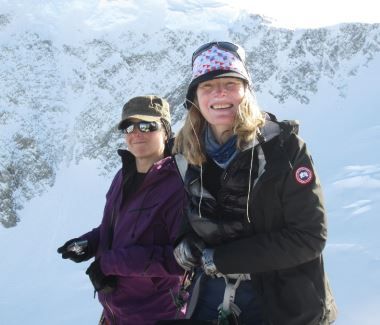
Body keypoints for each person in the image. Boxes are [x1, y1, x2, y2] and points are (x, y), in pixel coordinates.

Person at [172, 42, 338, 324]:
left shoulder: (283, 148)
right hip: (212, 295)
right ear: (195, 99)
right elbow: (191, 215)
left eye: (230, 83)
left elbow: (309, 236)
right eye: (207, 86)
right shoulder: (185, 153)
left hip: (281, 300)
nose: (220, 93)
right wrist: (184, 242)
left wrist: (223, 259)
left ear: (246, 91)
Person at [58, 95, 186, 325]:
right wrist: (89, 243)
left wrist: (110, 263)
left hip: (158, 315)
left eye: (147, 125)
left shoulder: (177, 184)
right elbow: (116, 227)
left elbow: (182, 260)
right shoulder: (123, 175)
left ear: (166, 131)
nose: (136, 133)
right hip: (114, 313)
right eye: (128, 126)